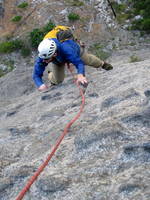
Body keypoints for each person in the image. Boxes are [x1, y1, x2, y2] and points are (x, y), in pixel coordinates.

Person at [32, 26, 113, 92]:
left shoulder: (67, 48)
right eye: (44, 59)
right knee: (57, 81)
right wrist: (40, 85)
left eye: (47, 59)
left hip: (70, 48)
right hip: (57, 59)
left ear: (54, 54)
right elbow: (36, 74)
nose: (44, 61)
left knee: (86, 59)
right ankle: (51, 73)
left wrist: (80, 75)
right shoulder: (43, 55)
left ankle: (103, 64)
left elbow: (79, 63)